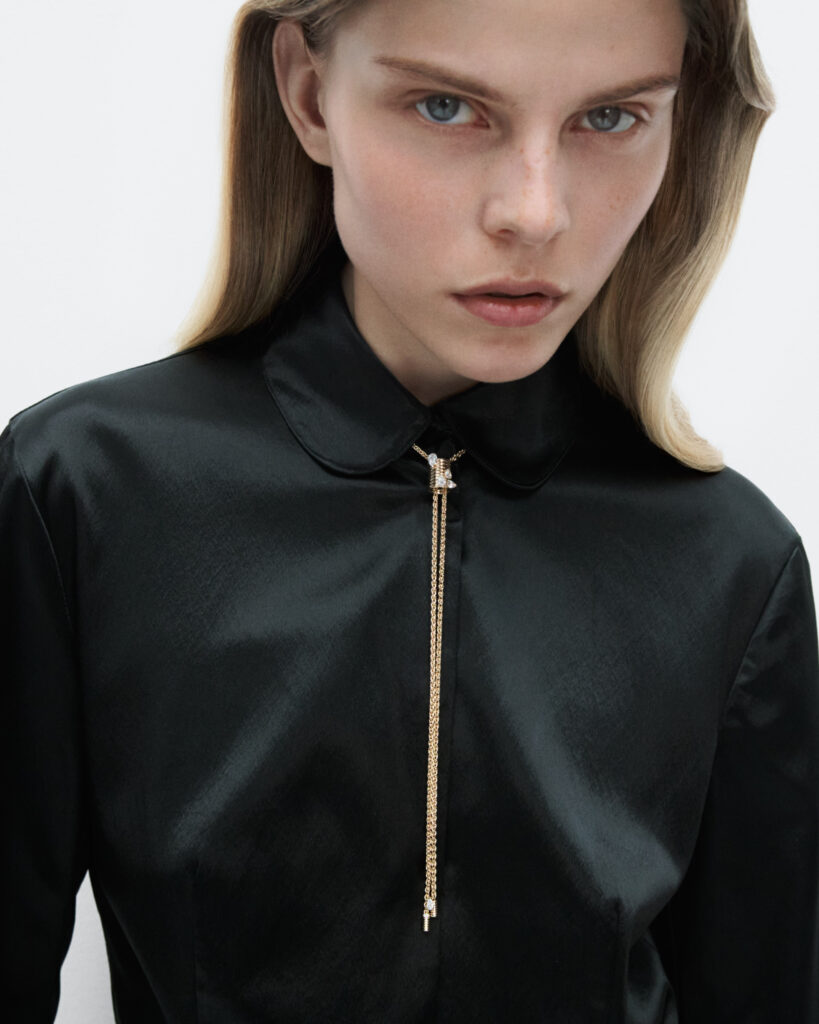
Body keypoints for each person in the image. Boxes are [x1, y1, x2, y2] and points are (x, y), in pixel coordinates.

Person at [2, 0, 817, 1020]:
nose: (535, 213)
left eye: (610, 118)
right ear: (308, 93)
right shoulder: (82, 492)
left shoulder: (734, 565)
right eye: (445, 106)